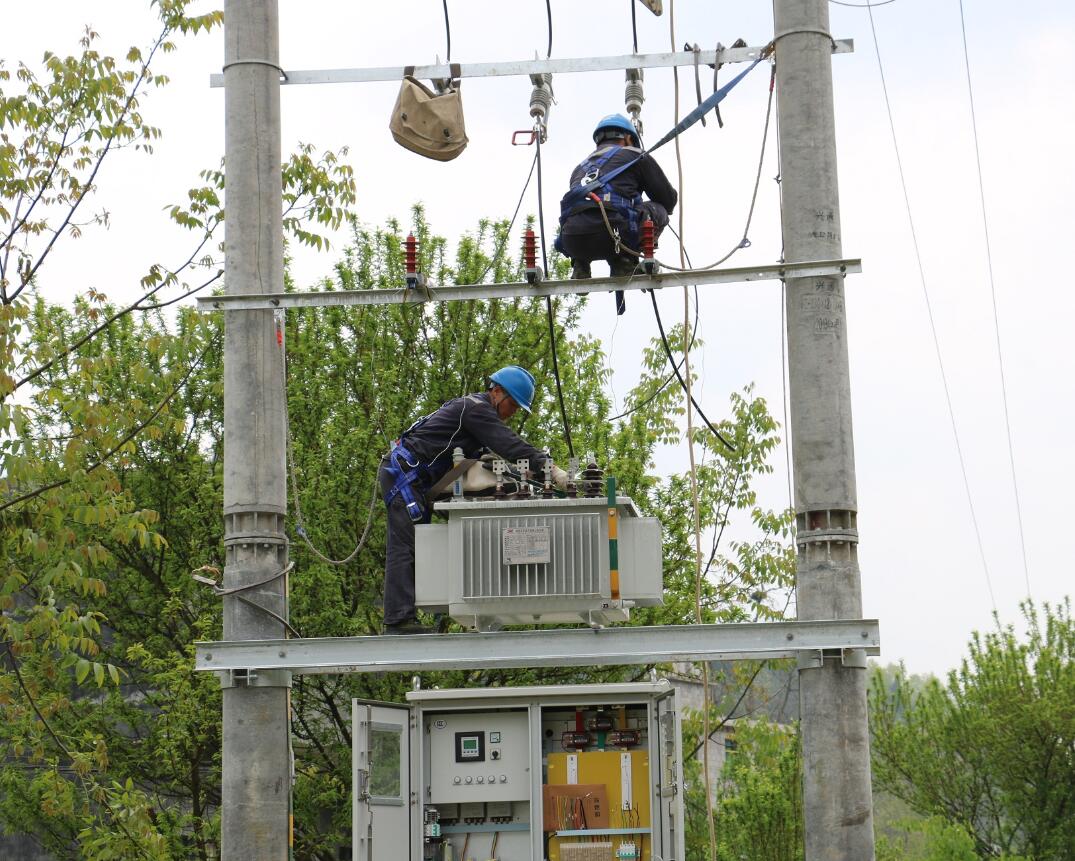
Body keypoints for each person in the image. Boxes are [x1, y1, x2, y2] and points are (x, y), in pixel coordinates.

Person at [378, 365, 569, 634]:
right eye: (513, 405)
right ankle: (398, 622)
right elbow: (509, 444)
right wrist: (550, 467)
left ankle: (407, 616)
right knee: (406, 546)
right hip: (403, 476)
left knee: (419, 545)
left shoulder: (474, 413)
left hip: (414, 478)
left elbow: (495, 457)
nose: (512, 413)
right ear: (498, 392)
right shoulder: (477, 409)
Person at [556, 114, 678, 313]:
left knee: (589, 214)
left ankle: (581, 265)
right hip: (615, 234)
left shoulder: (579, 169)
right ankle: (625, 261)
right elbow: (667, 199)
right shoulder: (635, 155)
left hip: (573, 241)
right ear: (628, 138)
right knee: (658, 210)